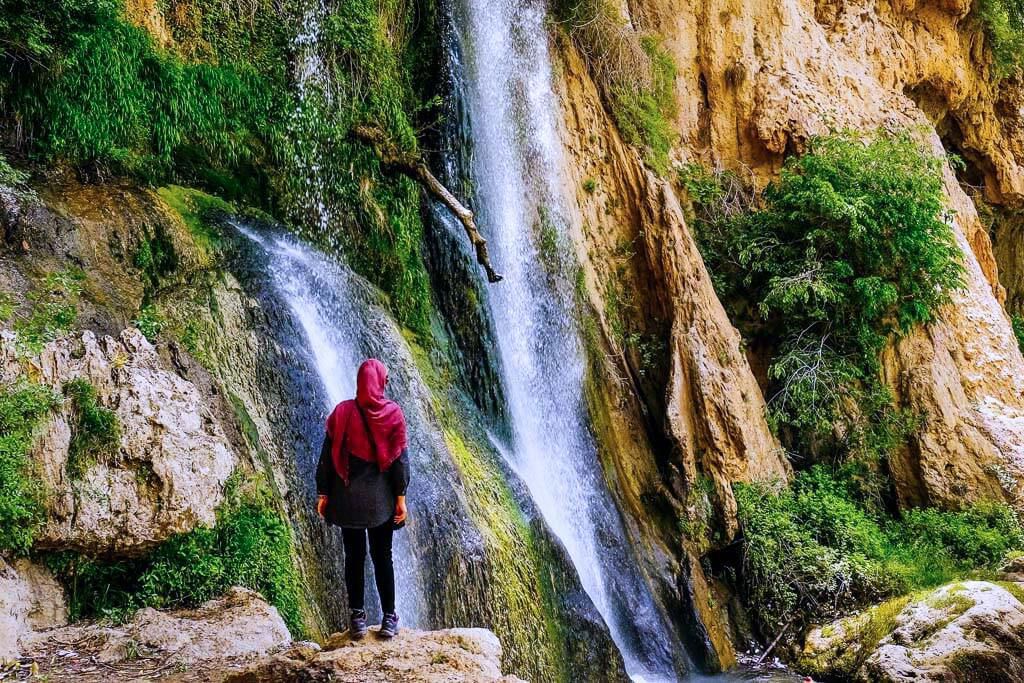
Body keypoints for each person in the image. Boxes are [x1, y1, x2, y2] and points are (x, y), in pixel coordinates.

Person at [316, 358, 409, 640]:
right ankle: (389, 619)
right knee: (383, 558)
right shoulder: (393, 415)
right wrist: (401, 498)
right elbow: (400, 463)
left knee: (353, 557)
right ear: (380, 382)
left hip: (347, 502)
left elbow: (326, 459)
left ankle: (357, 618)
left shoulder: (342, 412)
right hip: (380, 504)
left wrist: (323, 493)